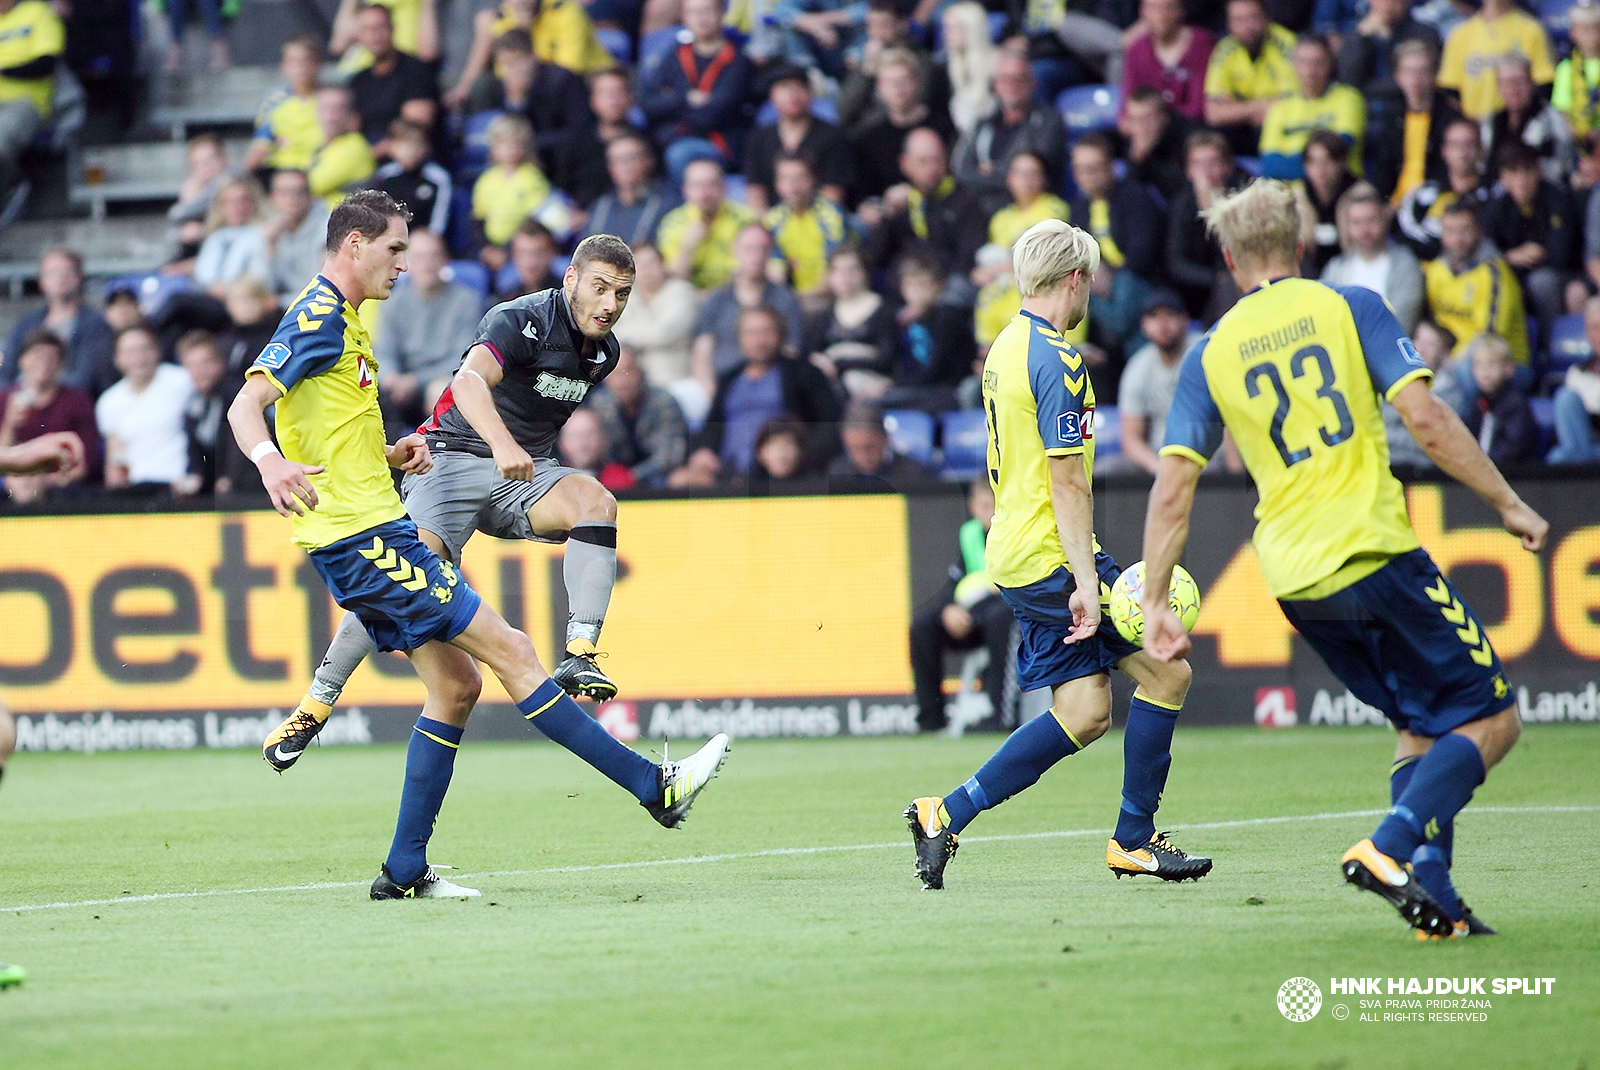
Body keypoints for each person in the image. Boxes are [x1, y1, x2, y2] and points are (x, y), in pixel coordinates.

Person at [234, 192, 728, 898]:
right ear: (353, 247)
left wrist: (389, 452)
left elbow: (331, 427)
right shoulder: (316, 317)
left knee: (456, 686)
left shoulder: (348, 322)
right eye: (396, 249)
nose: (406, 264)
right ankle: (654, 787)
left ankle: (404, 871)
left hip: (377, 521)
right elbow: (245, 402)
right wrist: (267, 460)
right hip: (364, 538)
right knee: (515, 653)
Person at [1139, 177, 1548, 938]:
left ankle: (1437, 901)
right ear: (1299, 245)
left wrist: (1157, 598)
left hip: (1295, 580)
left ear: (1229, 258)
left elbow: (1172, 489)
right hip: (1372, 549)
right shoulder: (1348, 306)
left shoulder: (1211, 352)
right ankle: (1390, 848)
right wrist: (1507, 501)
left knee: (1419, 726)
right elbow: (1423, 418)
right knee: (1494, 720)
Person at [270, 228, 649, 770]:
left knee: (597, 503)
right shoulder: (519, 319)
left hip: (522, 475)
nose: (609, 305)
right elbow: (470, 383)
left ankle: (580, 654)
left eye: (622, 295)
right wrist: (502, 443)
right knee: (402, 581)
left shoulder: (604, 354)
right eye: (600, 288)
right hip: (448, 458)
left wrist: (518, 456)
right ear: (570, 279)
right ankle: (315, 704)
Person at [905, 218, 1207, 892]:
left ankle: (942, 814)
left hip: (1012, 550)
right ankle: (1135, 839)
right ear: (1076, 279)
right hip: (1050, 555)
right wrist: (1081, 580)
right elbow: (1067, 479)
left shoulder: (1006, 345)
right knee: (1167, 675)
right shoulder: (1058, 355)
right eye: (1089, 282)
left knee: (1084, 713)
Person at [672, 304, 841, 485]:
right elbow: (712, 425)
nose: (759, 341)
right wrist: (703, 451)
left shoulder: (804, 373)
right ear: (740, 338)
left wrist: (800, 458)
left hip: (782, 475)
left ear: (782, 335)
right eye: (751, 333)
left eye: (766, 332)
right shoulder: (729, 379)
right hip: (728, 476)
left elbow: (830, 424)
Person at [908, 478, 1011, 732]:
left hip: (1006, 612)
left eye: (997, 505)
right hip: (974, 615)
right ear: (973, 506)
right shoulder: (971, 534)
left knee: (1000, 618)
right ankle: (931, 720)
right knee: (923, 625)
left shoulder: (1013, 535)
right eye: (986, 506)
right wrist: (950, 609)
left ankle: (1001, 717)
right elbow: (958, 582)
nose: (992, 513)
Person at [375, 229, 484, 432]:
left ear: (445, 259)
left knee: (443, 392)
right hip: (401, 386)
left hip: (442, 379)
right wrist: (392, 377)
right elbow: (384, 351)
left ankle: (438, 459)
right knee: (373, 392)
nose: (427, 264)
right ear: (408, 262)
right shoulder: (394, 301)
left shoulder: (467, 301)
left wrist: (415, 381)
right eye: (419, 257)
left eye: (434, 256)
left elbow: (465, 358)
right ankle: (390, 460)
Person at [1068, 132, 1165, 358]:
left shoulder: (1135, 197)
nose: (1088, 176)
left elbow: (1142, 256)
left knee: (1125, 299)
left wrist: (1105, 271)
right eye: (1081, 169)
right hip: (1097, 286)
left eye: (1094, 168)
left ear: (1111, 166)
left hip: (1138, 283)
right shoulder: (1077, 208)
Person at [639, 0, 752, 181]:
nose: (700, 18)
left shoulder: (737, 61)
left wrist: (672, 103)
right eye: (692, 12)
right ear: (684, 18)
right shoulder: (674, 56)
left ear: (722, 12)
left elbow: (714, 114)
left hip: (720, 144)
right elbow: (648, 103)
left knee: (678, 154)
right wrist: (685, 99)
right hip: (675, 137)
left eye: (706, 11)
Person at [691, 223, 807, 395]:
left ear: (770, 253)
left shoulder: (786, 300)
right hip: (718, 385)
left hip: (770, 386)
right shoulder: (717, 299)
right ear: (735, 251)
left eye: (763, 249)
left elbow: (792, 352)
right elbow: (702, 352)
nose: (757, 256)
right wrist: (711, 392)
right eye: (749, 249)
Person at [864, 126, 985, 281]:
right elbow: (874, 258)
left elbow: (966, 262)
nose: (932, 168)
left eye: (937, 160)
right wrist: (887, 216)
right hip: (902, 290)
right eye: (923, 161)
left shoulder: (966, 201)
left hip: (944, 286)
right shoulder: (901, 204)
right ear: (904, 163)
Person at [1484, 141, 1579, 332]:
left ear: (1538, 171)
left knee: (1541, 282)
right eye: (1513, 172)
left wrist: (1536, 255)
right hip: (1514, 271)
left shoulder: (1557, 198)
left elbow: (1562, 253)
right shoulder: (1497, 206)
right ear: (1503, 177)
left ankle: (1547, 344)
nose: (1522, 179)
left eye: (1527, 171)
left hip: (1560, 273)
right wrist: (1510, 257)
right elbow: (1486, 248)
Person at [446, 0, 612, 107]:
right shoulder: (503, 19)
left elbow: (569, 67)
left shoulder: (565, 11)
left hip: (587, 82)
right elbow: (503, 71)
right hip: (538, 91)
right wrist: (521, 31)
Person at [1423, 199, 1529, 366]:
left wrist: (1448, 362)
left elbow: (1490, 338)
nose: (1457, 239)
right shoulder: (1436, 270)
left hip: (1501, 365)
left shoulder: (1495, 273)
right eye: (1450, 231)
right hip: (1449, 359)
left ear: (1479, 230)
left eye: (1464, 230)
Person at [950, 52, 1067, 203]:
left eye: (1019, 79)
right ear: (995, 84)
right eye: (1005, 79)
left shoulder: (1048, 121)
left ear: (1032, 82)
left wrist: (990, 170)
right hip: (982, 211)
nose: (1012, 85)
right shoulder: (983, 123)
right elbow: (961, 170)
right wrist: (1010, 175)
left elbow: (1035, 172)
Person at [0, 247, 116, 397]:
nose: (60, 278)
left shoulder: (96, 325)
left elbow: (86, 378)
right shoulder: (26, 322)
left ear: (80, 277)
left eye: (67, 272)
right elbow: (7, 371)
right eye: (52, 272)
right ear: (41, 280)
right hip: (22, 403)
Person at [0, 330, 99, 501]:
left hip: (57, 486)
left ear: (60, 364)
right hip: (11, 483)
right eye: (38, 356)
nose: (44, 363)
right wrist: (9, 423)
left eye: (51, 357)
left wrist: (43, 481)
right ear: (22, 360)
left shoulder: (77, 401)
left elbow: (83, 464)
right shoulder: (4, 400)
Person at [96, 325, 196, 494]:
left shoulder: (184, 381)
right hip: (136, 491)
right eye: (130, 352)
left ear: (158, 351)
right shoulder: (108, 401)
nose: (138, 358)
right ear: (117, 358)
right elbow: (115, 458)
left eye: (145, 349)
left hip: (180, 487)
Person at [741, 65, 853, 213]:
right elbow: (755, 191)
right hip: (773, 219)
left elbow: (833, 193)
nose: (792, 96)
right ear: (772, 95)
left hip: (821, 219)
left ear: (810, 94)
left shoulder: (833, 136)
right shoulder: (758, 138)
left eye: (799, 88)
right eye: (784, 88)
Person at [849, 47, 954, 203]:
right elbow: (863, 192)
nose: (898, 88)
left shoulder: (943, 127)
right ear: (879, 88)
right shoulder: (868, 137)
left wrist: (913, 194)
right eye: (890, 82)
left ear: (917, 83)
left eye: (904, 80)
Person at [1367, 40, 1463, 206]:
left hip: (1434, 203)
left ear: (1435, 74)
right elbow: (1384, 172)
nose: (1415, 79)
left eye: (1422, 71)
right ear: (1397, 76)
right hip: (1395, 203)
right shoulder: (1391, 116)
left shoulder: (1450, 119)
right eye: (1409, 71)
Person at [1257, 33, 1364, 181]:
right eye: (1303, 62)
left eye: (1318, 62)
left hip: (1338, 189)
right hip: (1291, 194)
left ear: (1330, 64)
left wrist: (1290, 162)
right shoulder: (1280, 107)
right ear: (1293, 65)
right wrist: (1317, 164)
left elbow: (1338, 150)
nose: (1310, 71)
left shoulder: (1348, 98)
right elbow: (1270, 165)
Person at [1321, 183, 1425, 333]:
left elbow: (1402, 323)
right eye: (1356, 222)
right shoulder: (1335, 268)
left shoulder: (1405, 264)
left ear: (1384, 220)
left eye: (1371, 220)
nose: (1364, 230)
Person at [1117, 288, 1200, 476]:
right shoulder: (1138, 367)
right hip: (1159, 454)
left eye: (1170, 316)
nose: (1162, 325)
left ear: (1185, 320)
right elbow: (1130, 439)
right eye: (1154, 317)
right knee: (1108, 468)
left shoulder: (1204, 353)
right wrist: (1156, 466)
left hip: (1207, 454)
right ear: (1143, 325)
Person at [471, 30, 592, 159]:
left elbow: (579, 130)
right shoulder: (504, 86)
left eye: (516, 61)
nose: (512, 70)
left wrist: (531, 143)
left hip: (566, 157)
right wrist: (516, 101)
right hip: (527, 157)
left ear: (532, 57)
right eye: (505, 64)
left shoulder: (562, 80)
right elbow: (513, 131)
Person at [1167, 129, 1246, 321]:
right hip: (1199, 292)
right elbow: (1176, 263)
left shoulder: (1244, 198)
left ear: (1227, 166)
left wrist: (1212, 211)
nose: (1206, 172)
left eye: (1213, 163)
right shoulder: (1181, 204)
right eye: (1198, 164)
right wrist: (1215, 278)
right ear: (1188, 170)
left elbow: (1243, 251)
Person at [1202, 0, 1297, 156]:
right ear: (1228, 24)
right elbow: (1213, 113)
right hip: (1242, 129)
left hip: (1279, 127)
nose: (1247, 27)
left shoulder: (1287, 44)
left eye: (1253, 18)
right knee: (1213, 135)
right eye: (1238, 20)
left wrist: (1236, 107)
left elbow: (1289, 106)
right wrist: (1262, 107)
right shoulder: (1224, 49)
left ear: (1267, 18)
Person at [585, 346, 689, 486]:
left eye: (628, 371)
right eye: (615, 373)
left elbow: (670, 456)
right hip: (610, 478)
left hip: (659, 479)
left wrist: (632, 476)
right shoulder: (599, 404)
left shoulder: (664, 402)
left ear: (641, 372)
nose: (623, 380)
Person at [804, 244, 897, 399]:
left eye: (852, 270)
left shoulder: (883, 310)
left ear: (865, 272)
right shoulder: (823, 316)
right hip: (834, 389)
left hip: (873, 389)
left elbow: (886, 360)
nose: (845, 277)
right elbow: (812, 354)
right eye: (838, 271)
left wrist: (839, 362)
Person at [1436, 0, 1553, 122]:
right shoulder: (1459, 34)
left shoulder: (1532, 30)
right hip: (1474, 126)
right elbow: (1450, 91)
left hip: (1517, 127)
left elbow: (1543, 85)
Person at [887, 249, 975, 410]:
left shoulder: (948, 316)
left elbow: (938, 368)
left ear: (939, 286)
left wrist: (898, 385)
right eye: (911, 285)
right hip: (918, 387)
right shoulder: (901, 320)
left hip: (948, 388)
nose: (917, 293)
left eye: (924, 285)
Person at [657, 157, 759, 290]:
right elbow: (672, 280)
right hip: (691, 295)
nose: (705, 193)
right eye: (697, 185)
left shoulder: (746, 220)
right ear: (685, 190)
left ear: (724, 187)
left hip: (735, 293)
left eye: (712, 184)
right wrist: (687, 247)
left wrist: (714, 297)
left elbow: (754, 270)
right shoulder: (672, 222)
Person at [347, 2, 439, 150]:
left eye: (380, 28)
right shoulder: (358, 81)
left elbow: (414, 129)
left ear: (392, 29)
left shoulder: (416, 70)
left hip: (409, 161)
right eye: (367, 29)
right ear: (359, 35)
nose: (374, 36)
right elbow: (351, 128)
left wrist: (371, 154)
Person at [1397, 116, 1490, 261]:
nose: (1462, 153)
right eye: (1455, 145)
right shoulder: (1422, 194)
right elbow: (1407, 235)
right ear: (1444, 150)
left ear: (1481, 149)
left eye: (1469, 144)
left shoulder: (1495, 194)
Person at [610, 242, 699, 388]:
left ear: (663, 265)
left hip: (677, 382)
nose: (646, 269)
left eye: (651, 262)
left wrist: (627, 333)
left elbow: (662, 334)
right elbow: (611, 334)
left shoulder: (683, 293)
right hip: (635, 387)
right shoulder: (624, 297)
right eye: (639, 264)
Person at [764, 150, 853, 297]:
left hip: (831, 298)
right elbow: (775, 274)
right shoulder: (771, 221)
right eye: (785, 178)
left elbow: (836, 274)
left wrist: (798, 301)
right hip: (792, 301)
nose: (793, 186)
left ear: (813, 179)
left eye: (800, 177)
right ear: (777, 184)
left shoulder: (832, 215)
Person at [0, 0, 64, 200]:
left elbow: (46, 64)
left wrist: (5, 71)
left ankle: (9, 190)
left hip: (26, 102)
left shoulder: (37, 12)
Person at [1479, 54, 1574, 185]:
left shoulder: (1552, 121)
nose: (1513, 90)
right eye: (1506, 83)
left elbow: (1559, 168)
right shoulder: (1490, 123)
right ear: (1498, 87)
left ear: (1531, 82)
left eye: (1519, 81)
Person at [560, 69, 648, 210]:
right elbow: (563, 188)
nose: (613, 100)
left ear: (631, 98)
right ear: (593, 100)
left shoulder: (647, 142)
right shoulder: (575, 143)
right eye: (605, 93)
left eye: (618, 92)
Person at [1384, 317, 1463, 468]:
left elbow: (1436, 441)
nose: (1420, 349)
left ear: (1444, 355)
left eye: (1430, 344)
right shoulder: (1392, 380)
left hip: (1426, 473)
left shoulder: (1453, 395)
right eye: (1418, 340)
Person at [1123, 0, 1216, 124]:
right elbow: (1126, 109)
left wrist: (1157, 120)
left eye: (1169, 7)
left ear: (1181, 10)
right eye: (1154, 7)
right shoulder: (1136, 49)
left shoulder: (1202, 44)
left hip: (1191, 128)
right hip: (1147, 128)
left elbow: (1198, 108)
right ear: (1143, 11)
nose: (1161, 15)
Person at [581, 133, 679, 246]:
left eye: (632, 158)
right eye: (617, 160)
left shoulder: (668, 203)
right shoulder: (601, 206)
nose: (626, 166)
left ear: (648, 161)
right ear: (610, 166)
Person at [1458, 331, 1539, 465]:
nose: (1485, 372)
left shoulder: (1516, 403)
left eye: (1491, 364)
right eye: (1479, 365)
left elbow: (1514, 448)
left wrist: (1480, 463)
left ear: (1508, 368)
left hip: (1514, 475)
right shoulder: (1476, 401)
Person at [246, 37, 325, 174]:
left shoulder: (331, 98)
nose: (300, 67)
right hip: (282, 172)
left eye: (305, 60)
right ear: (283, 66)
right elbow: (261, 143)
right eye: (293, 61)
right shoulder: (274, 100)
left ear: (317, 64)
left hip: (322, 168)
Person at [1334, 0, 1439, 99]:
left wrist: (1390, 38)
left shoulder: (1424, 34)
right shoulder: (1359, 35)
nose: (1387, 5)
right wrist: (1360, 36)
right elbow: (1348, 80)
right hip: (1368, 105)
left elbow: (1421, 81)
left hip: (1411, 104)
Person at [369, 120, 453, 236]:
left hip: (423, 243)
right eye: (403, 144)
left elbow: (438, 223)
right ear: (391, 147)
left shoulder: (437, 178)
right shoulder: (384, 176)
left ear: (427, 147)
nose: (410, 150)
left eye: (416, 144)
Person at [826, 399, 934, 485]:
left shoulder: (914, 474)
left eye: (869, 447)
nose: (863, 456)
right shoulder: (837, 473)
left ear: (885, 438)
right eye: (854, 449)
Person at [1296, 129, 1357, 279]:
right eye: (1313, 161)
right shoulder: (1297, 198)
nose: (1320, 169)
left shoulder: (1360, 195)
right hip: (1310, 272)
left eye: (1328, 160)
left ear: (1342, 162)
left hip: (1351, 270)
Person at [193, 177, 270, 296]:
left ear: (254, 203)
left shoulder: (262, 234)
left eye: (243, 201)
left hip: (241, 298)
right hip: (209, 294)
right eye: (230, 202)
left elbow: (261, 277)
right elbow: (203, 274)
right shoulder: (216, 236)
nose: (237, 208)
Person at [1548, 297, 1600, 464]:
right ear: (1586, 331)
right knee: (1566, 397)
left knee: (1560, 458)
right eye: (1595, 327)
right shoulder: (1577, 372)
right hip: (1586, 444)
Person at [308, 86, 378, 205]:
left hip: (345, 220)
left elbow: (307, 187)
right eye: (326, 108)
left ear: (351, 114)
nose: (332, 115)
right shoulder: (318, 145)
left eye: (340, 108)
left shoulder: (355, 146)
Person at [1119, 87, 1189, 204]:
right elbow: (1130, 195)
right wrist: (1137, 158)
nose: (1142, 127)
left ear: (1164, 117)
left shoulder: (1185, 139)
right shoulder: (1133, 143)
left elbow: (1179, 191)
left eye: (1147, 118)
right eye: (1135, 119)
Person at [986, 152, 1068, 251]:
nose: (1025, 179)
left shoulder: (1055, 207)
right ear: (1009, 178)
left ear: (1044, 178)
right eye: (1019, 173)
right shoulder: (1000, 217)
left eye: (1033, 173)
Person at [169, 134, 231, 264]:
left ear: (224, 159)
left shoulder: (233, 182)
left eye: (211, 159)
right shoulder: (194, 190)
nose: (206, 167)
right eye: (199, 163)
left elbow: (176, 214)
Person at [940, 1, 996, 136]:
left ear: (972, 29)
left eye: (953, 28)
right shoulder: (948, 67)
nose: (946, 35)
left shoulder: (994, 63)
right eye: (946, 28)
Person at [1552, 0, 1600, 142]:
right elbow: (1562, 108)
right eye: (1585, 29)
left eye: (1596, 28)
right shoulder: (1566, 68)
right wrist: (1574, 132)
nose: (1592, 34)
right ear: (1573, 33)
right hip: (1577, 139)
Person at [557, 406, 636, 489]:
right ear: (562, 444)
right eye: (575, 436)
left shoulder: (621, 479)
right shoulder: (553, 483)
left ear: (604, 439)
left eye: (590, 434)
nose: (583, 443)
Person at [493, 219, 562, 303]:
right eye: (523, 253)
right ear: (514, 255)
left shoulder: (566, 297)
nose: (531, 263)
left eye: (538, 254)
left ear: (552, 253)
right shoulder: (505, 300)